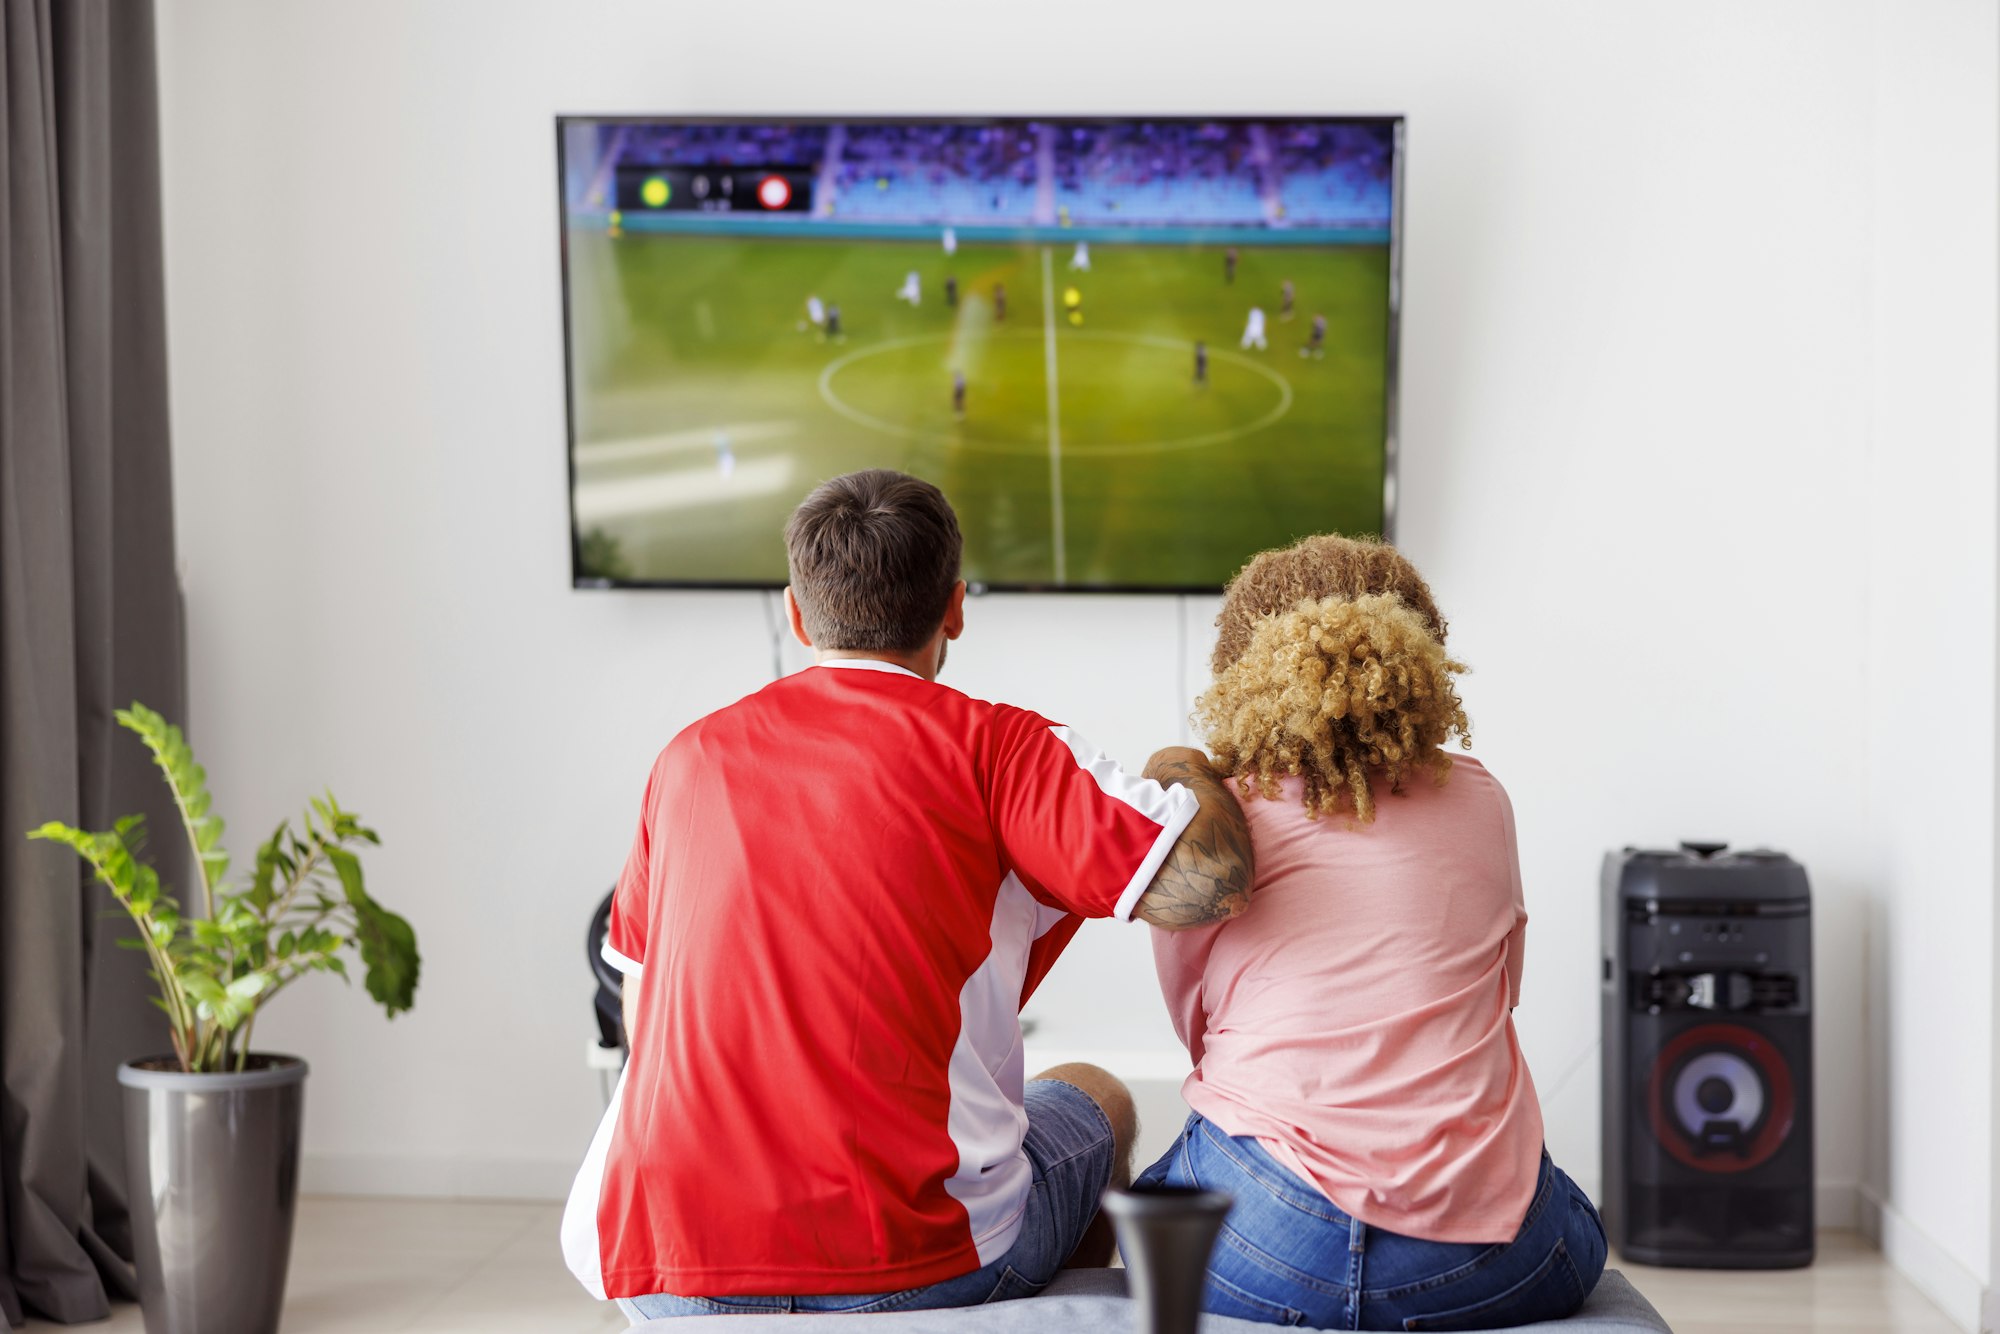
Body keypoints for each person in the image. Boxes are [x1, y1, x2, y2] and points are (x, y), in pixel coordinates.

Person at [564, 470, 1256, 1322]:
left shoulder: (686, 760)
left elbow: (641, 1015)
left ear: (795, 611)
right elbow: (1208, 881)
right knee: (1099, 1096)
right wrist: (1179, 767)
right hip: (916, 1266)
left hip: (667, 1273)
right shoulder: (1001, 749)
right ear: (955, 608)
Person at [1135, 535, 1605, 1330]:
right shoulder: (1483, 800)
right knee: (1576, 1216)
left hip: (1257, 1247)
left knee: (1145, 1195)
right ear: (1421, 654)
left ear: (1240, 668)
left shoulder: (1223, 818)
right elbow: (1503, 994)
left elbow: (1196, 1024)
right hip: (1478, 1265)